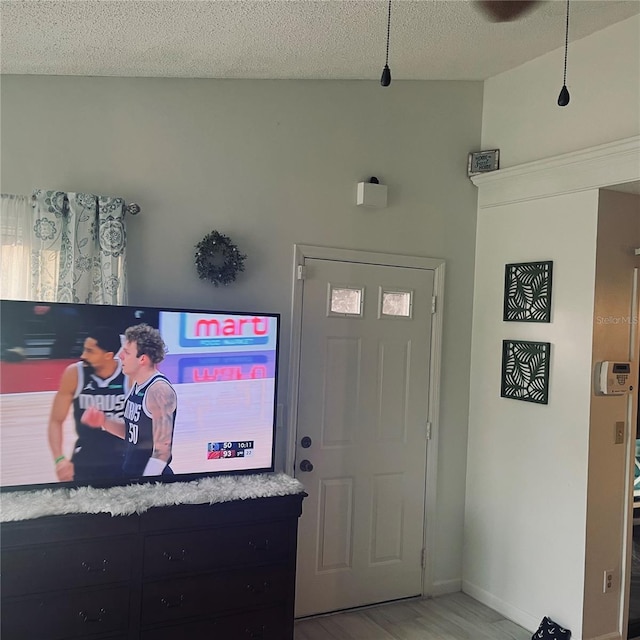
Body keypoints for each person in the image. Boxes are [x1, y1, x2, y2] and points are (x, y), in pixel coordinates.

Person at [82, 323, 177, 477]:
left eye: (126, 352)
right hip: (132, 473)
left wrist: (144, 487)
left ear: (143, 359)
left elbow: (162, 451)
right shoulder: (137, 384)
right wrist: (103, 421)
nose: (120, 356)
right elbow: (134, 433)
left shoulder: (159, 391)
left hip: (153, 481)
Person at [48, 326, 127, 483]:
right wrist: (59, 460)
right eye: (84, 349)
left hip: (124, 454)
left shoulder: (129, 375)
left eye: (90, 351)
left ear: (108, 355)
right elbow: (56, 420)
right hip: (87, 452)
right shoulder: (74, 374)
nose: (83, 355)